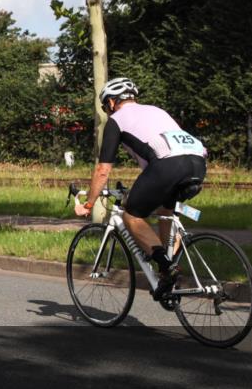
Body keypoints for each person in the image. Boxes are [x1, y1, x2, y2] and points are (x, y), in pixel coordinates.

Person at [74, 77, 207, 299]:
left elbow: (103, 170)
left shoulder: (116, 120)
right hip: (197, 162)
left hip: (168, 164)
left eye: (106, 106)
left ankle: (166, 265)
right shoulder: (156, 111)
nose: (107, 111)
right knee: (166, 212)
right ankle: (169, 272)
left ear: (112, 102)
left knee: (131, 216)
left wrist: (89, 203)